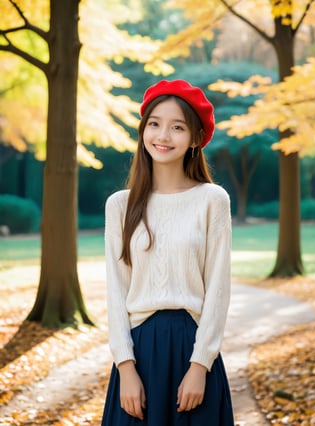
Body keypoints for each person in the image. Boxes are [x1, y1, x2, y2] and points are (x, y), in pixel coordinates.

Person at [101, 79, 234, 426]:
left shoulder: (212, 200)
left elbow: (218, 290)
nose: (163, 136)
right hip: (139, 351)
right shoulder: (120, 205)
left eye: (177, 127)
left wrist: (200, 365)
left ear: (194, 139)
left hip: (192, 349)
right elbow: (116, 292)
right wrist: (125, 368)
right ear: (144, 130)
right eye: (155, 124)